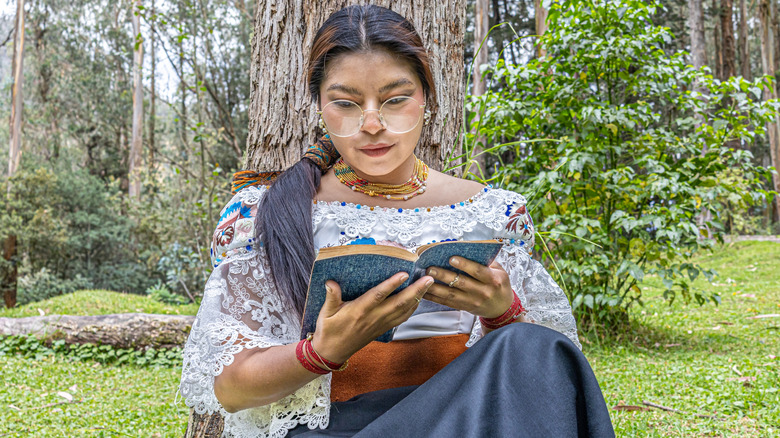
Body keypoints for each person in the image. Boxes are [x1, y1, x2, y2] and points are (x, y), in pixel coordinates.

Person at [179, 5, 615, 437]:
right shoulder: (264, 212)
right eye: (346, 103)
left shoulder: (493, 213)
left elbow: (546, 378)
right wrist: (322, 351)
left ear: (426, 97)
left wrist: (503, 314)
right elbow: (231, 389)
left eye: (395, 99)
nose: (372, 124)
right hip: (331, 430)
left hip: (467, 421)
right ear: (319, 107)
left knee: (529, 342)